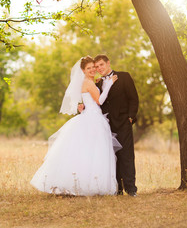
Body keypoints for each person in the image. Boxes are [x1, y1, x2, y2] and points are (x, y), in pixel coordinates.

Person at [30, 56, 121, 196]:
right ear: (83, 71)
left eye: (93, 67)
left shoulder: (90, 82)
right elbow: (100, 101)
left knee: (88, 152)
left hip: (91, 117)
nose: (92, 70)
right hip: (93, 119)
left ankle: (85, 184)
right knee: (94, 151)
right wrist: (109, 84)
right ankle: (90, 185)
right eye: (88, 68)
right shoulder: (89, 83)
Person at [93, 54, 139, 197]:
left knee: (127, 156)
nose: (99, 68)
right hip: (106, 125)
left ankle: (131, 189)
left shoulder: (124, 77)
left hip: (124, 123)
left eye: (101, 65)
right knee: (112, 157)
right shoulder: (97, 83)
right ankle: (116, 189)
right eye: (96, 66)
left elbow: (134, 98)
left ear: (108, 63)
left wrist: (130, 118)